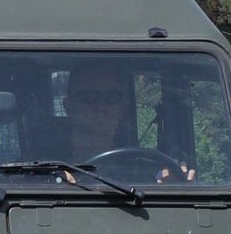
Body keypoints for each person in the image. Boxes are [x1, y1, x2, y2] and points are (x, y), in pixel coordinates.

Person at [61, 66, 193, 181]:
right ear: (69, 107)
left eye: (112, 97)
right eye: (89, 97)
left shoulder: (148, 172)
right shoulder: (46, 169)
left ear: (123, 109)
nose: (101, 106)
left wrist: (175, 185)